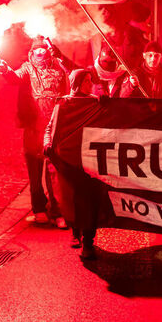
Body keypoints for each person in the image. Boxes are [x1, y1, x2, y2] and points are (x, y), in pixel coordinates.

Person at [0, 38, 70, 226]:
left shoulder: (59, 67)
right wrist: (5, 71)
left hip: (54, 125)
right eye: (36, 49)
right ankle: (38, 208)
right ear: (32, 51)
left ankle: (58, 210)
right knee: (35, 169)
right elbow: (15, 77)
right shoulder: (28, 68)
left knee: (54, 170)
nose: (40, 52)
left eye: (43, 49)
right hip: (33, 126)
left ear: (49, 50)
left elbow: (69, 86)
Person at [44, 70, 104, 257]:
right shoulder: (64, 103)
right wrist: (47, 143)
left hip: (90, 160)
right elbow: (50, 126)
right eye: (86, 81)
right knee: (73, 199)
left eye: (90, 80)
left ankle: (88, 242)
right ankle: (76, 232)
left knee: (90, 201)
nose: (90, 83)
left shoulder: (96, 102)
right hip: (71, 160)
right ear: (77, 83)